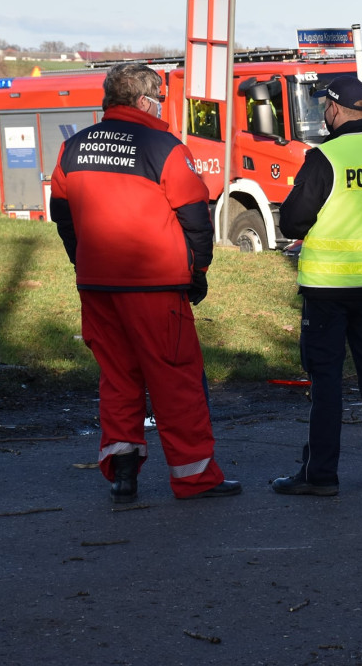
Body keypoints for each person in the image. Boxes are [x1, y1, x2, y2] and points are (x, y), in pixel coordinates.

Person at [49, 63, 241, 503]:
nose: (161, 106)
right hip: (155, 286)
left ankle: (122, 473)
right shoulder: (165, 147)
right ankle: (195, 478)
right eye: (158, 98)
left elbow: (64, 217)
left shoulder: (73, 149)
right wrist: (198, 273)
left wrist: (83, 262)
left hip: (97, 286)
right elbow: (196, 217)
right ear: (142, 101)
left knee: (118, 378)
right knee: (175, 380)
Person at [272, 76, 362, 497]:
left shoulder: (324, 158)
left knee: (327, 381)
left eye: (324, 108)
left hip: (328, 288)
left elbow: (293, 221)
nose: (323, 115)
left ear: (334, 110)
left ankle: (321, 475)